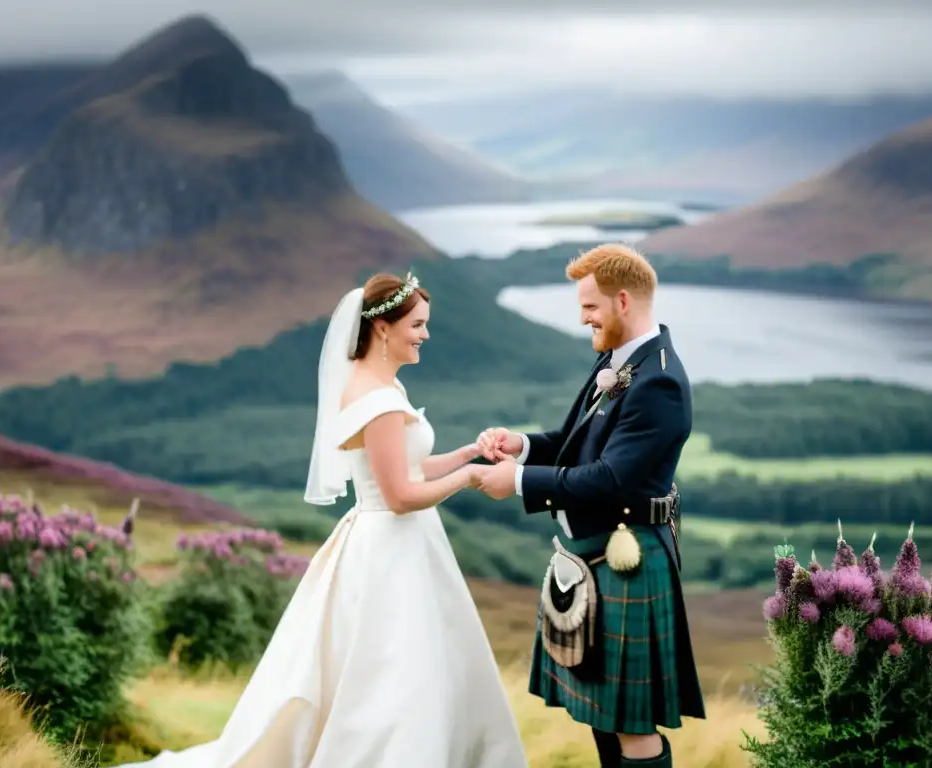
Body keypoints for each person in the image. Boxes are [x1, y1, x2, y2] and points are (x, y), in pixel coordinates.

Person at [114, 272, 527, 768]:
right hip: (391, 546)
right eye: (417, 324)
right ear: (383, 328)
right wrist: (472, 481)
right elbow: (398, 495)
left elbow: (405, 468)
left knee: (411, 663)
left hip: (393, 540)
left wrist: (465, 456)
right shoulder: (377, 400)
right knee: (397, 667)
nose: (426, 334)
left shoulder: (379, 384)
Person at [473, 244, 706, 767]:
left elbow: (611, 480)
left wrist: (517, 483)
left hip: (629, 561)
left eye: (590, 307)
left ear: (622, 301)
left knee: (632, 727)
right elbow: (577, 440)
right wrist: (523, 445)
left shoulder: (659, 380)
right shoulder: (621, 361)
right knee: (605, 717)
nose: (583, 319)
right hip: (595, 556)